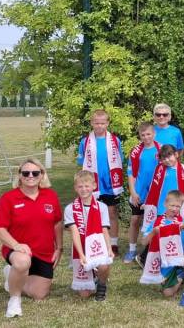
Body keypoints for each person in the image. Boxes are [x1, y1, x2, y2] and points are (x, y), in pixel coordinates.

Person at [0, 159, 62, 318]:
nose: (30, 176)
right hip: (19, 251)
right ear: (19, 176)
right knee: (22, 261)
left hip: (44, 253)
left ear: (42, 175)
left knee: (39, 294)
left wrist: (59, 248)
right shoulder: (8, 198)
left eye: (35, 173)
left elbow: (57, 222)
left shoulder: (50, 195)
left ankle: (12, 277)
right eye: (25, 173)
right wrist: (16, 245)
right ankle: (14, 299)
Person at [77, 109, 125, 254]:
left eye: (102, 123)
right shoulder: (85, 142)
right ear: (92, 123)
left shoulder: (115, 141)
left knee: (112, 213)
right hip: (93, 184)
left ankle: (113, 243)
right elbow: (82, 163)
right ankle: (95, 243)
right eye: (96, 123)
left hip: (110, 184)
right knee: (93, 214)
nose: (99, 126)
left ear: (107, 123)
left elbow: (120, 161)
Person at [140, 190, 184, 307]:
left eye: (178, 206)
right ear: (165, 204)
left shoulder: (182, 221)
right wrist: (153, 232)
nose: (175, 209)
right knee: (168, 293)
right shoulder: (157, 222)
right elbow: (143, 242)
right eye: (172, 205)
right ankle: (181, 275)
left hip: (180, 257)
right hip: (164, 260)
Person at [65, 170, 114, 300]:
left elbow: (104, 230)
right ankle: (93, 277)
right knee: (84, 295)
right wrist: (81, 255)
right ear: (75, 188)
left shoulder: (102, 207)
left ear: (94, 186)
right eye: (80, 186)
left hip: (97, 247)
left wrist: (109, 248)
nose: (84, 189)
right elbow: (75, 233)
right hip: (81, 248)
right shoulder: (70, 208)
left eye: (87, 186)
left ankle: (102, 284)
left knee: (104, 265)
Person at [125, 122, 160, 263]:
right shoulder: (135, 151)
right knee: (135, 220)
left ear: (154, 134)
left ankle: (150, 250)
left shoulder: (161, 149)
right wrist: (133, 192)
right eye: (143, 135)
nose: (146, 137)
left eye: (148, 134)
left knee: (154, 222)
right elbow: (130, 174)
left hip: (156, 193)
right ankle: (132, 249)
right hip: (139, 192)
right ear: (139, 136)